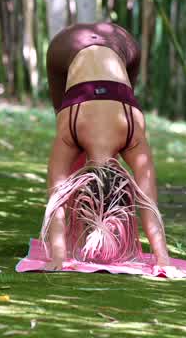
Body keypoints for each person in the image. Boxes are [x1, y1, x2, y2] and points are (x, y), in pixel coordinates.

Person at [40, 22, 175, 274]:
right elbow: (148, 202)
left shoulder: (75, 128)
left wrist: (58, 257)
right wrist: (162, 259)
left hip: (90, 42)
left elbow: (57, 194)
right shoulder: (130, 134)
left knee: (68, 145)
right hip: (95, 44)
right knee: (69, 139)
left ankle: (82, 231)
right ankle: (84, 230)